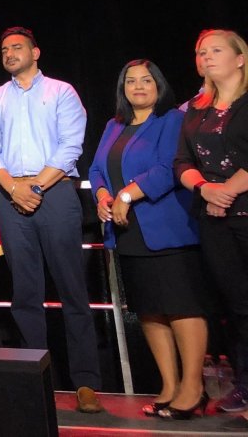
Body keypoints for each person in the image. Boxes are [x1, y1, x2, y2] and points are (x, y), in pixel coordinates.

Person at [0, 26, 103, 414]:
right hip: (10, 195)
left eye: (17, 47)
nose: (10, 53)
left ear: (36, 52)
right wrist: (13, 188)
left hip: (54, 193)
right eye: (4, 49)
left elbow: (71, 145)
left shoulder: (61, 91)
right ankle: (36, 378)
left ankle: (86, 382)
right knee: (25, 292)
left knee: (72, 289)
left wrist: (33, 188)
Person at [90, 59, 205, 419]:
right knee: (151, 309)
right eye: (130, 81)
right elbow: (95, 170)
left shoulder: (172, 120)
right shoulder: (114, 125)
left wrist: (126, 195)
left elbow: (168, 167)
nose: (138, 86)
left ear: (159, 85)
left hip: (168, 228)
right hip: (127, 233)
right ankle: (169, 386)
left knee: (181, 306)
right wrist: (103, 197)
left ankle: (193, 388)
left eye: (146, 80)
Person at [175, 29, 248, 415]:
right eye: (201, 52)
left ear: (240, 58)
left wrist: (228, 190)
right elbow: (182, 162)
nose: (206, 57)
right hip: (213, 215)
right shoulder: (196, 108)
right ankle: (244, 384)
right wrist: (205, 190)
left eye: (216, 50)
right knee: (235, 305)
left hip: (242, 205)